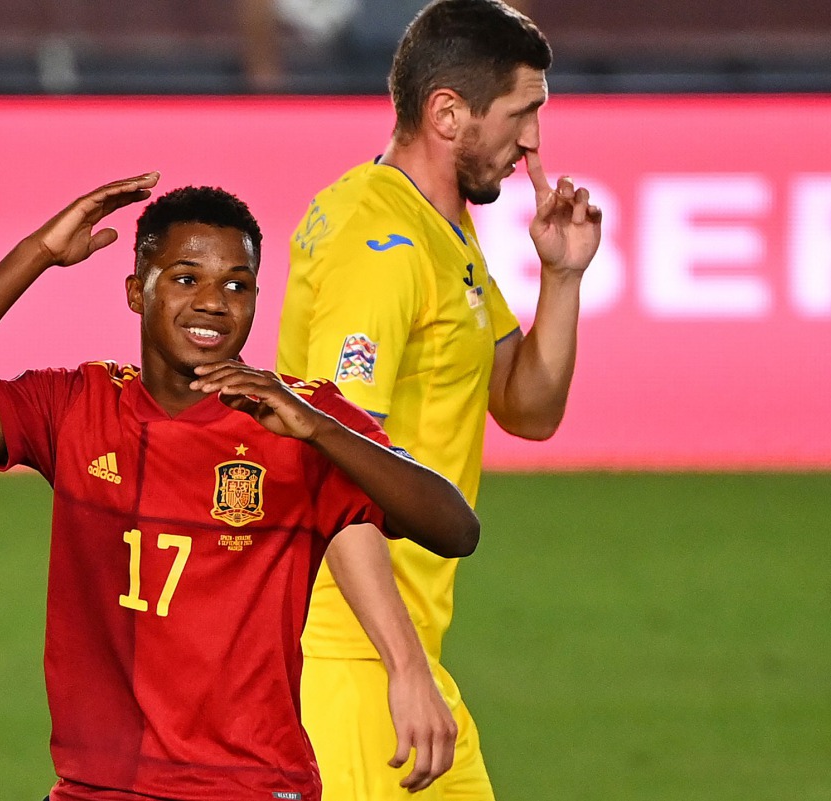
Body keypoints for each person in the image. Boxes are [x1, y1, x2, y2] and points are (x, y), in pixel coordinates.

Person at [0, 172, 481, 801]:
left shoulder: (296, 420)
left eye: (236, 285)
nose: (213, 302)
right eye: (187, 278)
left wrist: (323, 432)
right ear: (138, 291)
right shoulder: (78, 407)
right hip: (96, 787)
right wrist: (39, 254)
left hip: (247, 787)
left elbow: (455, 529)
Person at [275, 1, 603, 799]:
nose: (533, 142)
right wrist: (404, 668)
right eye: (522, 115)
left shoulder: (440, 230)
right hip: (351, 664)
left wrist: (561, 277)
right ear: (448, 113)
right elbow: (330, 455)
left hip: (402, 654)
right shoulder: (378, 244)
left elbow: (526, 407)